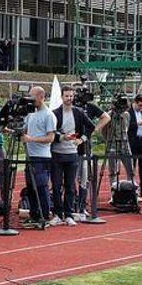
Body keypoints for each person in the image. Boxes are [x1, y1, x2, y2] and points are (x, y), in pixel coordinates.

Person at [51, 86, 96, 226]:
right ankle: (58, 214)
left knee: (70, 186)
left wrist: (81, 139)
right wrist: (61, 137)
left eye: (71, 96)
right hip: (57, 154)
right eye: (67, 96)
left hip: (72, 154)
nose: (69, 98)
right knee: (57, 185)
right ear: (62, 97)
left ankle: (69, 214)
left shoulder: (79, 112)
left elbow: (91, 127)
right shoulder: (55, 113)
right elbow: (51, 132)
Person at [21, 86, 56, 228]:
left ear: (41, 97)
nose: (30, 100)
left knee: (41, 186)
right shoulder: (30, 114)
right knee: (30, 187)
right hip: (30, 155)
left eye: (33, 97)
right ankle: (34, 214)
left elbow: (50, 138)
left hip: (42, 157)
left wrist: (31, 139)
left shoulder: (49, 115)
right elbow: (24, 132)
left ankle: (44, 214)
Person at [127, 95, 142, 199]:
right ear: (135, 102)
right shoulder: (128, 112)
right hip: (132, 142)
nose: (141, 108)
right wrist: (137, 123)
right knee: (132, 167)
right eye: (140, 105)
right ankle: (131, 188)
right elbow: (125, 126)